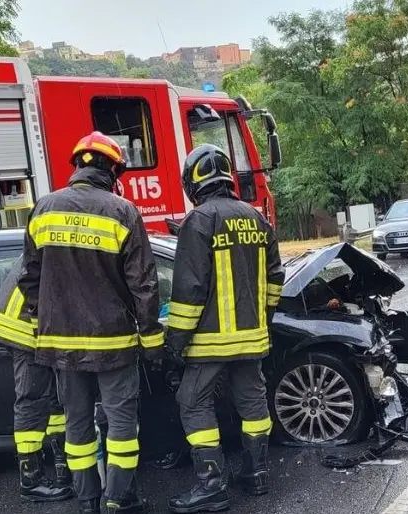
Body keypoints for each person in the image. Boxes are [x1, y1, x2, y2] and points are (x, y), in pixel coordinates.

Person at [19, 131, 164, 514]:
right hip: (114, 344)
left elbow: (28, 278)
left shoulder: (44, 208)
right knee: (121, 426)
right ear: (112, 169)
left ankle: (87, 501)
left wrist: (46, 317)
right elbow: (144, 285)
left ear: (78, 166)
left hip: (61, 347)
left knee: (77, 426)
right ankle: (118, 499)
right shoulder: (123, 211)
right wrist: (151, 340)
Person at [164, 144, 284, 514]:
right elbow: (275, 278)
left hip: (209, 343)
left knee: (192, 403)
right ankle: (256, 474)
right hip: (252, 339)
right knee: (253, 404)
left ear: (193, 182)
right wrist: (263, 319)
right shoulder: (256, 218)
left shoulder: (199, 221)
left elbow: (189, 291)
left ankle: (212, 485)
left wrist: (175, 343)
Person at [0, 255, 74, 502]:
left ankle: (63, 468)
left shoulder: (51, 225)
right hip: (25, 325)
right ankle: (31, 480)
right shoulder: (58, 231)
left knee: (56, 400)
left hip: (37, 322)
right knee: (33, 399)